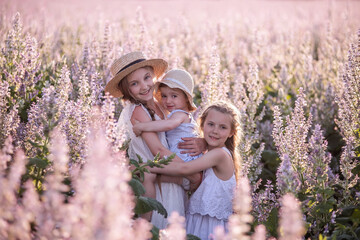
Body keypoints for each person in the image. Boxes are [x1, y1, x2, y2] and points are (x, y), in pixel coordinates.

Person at [104, 52, 203, 229]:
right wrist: (190, 172)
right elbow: (159, 150)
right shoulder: (138, 111)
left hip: (170, 172)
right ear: (126, 91)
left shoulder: (159, 103)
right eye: (134, 84)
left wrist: (200, 143)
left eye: (147, 78)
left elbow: (179, 130)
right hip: (160, 183)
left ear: (154, 76)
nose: (144, 86)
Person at [148, 101, 242, 239]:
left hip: (211, 226)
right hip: (197, 220)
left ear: (231, 132)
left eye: (222, 127)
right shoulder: (207, 154)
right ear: (202, 125)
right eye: (211, 124)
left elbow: (184, 168)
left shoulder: (220, 155)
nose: (215, 130)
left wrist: (146, 166)